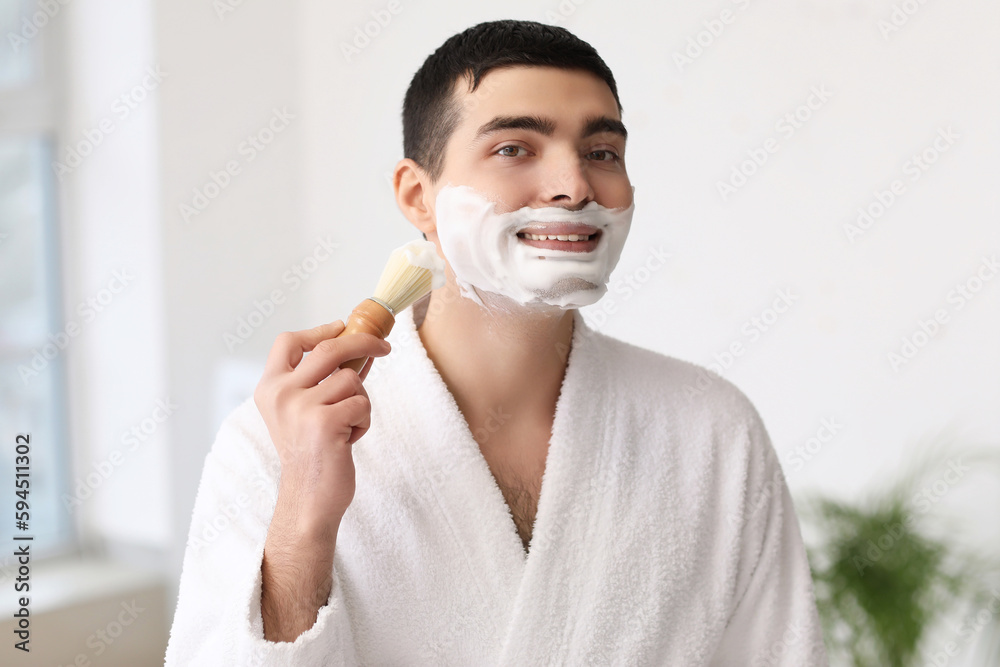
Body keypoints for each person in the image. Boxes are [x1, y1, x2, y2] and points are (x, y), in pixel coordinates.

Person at [165, 20, 829, 666]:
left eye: (602, 152)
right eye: (515, 148)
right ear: (417, 196)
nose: (574, 184)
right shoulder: (274, 444)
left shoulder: (712, 430)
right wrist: (303, 513)